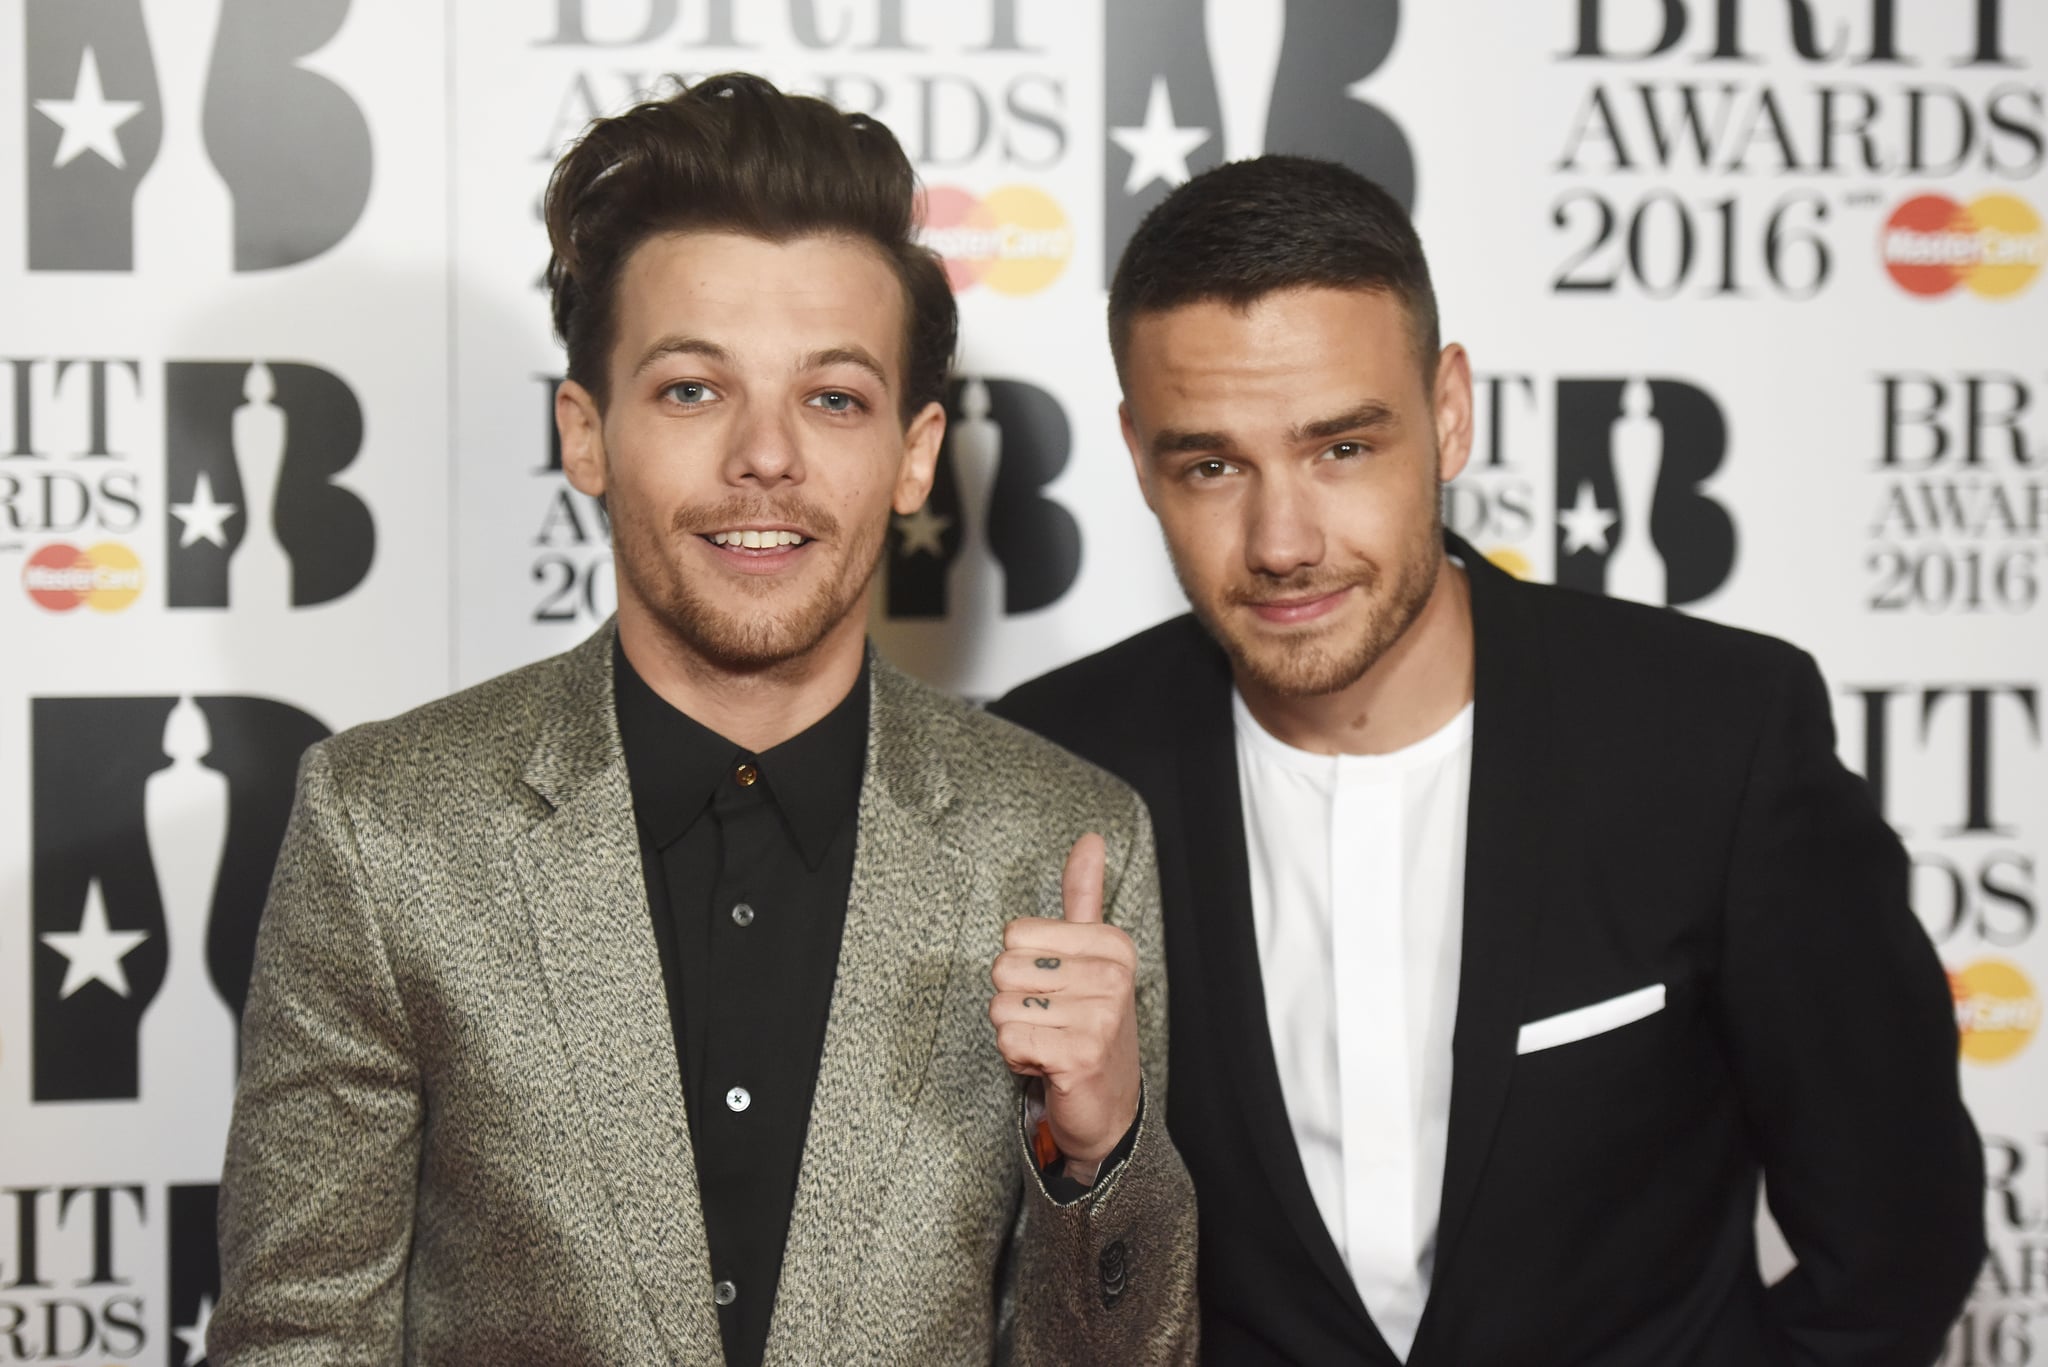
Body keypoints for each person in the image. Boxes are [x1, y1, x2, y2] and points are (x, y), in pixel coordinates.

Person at [212, 74, 1197, 1367]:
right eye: (691, 389)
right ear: (586, 431)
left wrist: (1106, 1150)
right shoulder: (387, 830)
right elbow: (295, 1339)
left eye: (834, 398)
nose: (767, 455)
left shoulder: (1064, 840)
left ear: (914, 453)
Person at [992, 155, 1982, 1366]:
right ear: (1140, 458)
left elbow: (1895, 1238)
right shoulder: (1053, 765)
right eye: (1212, 465)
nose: (1282, 540)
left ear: (1448, 413)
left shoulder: (1713, 735)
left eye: (1342, 448)